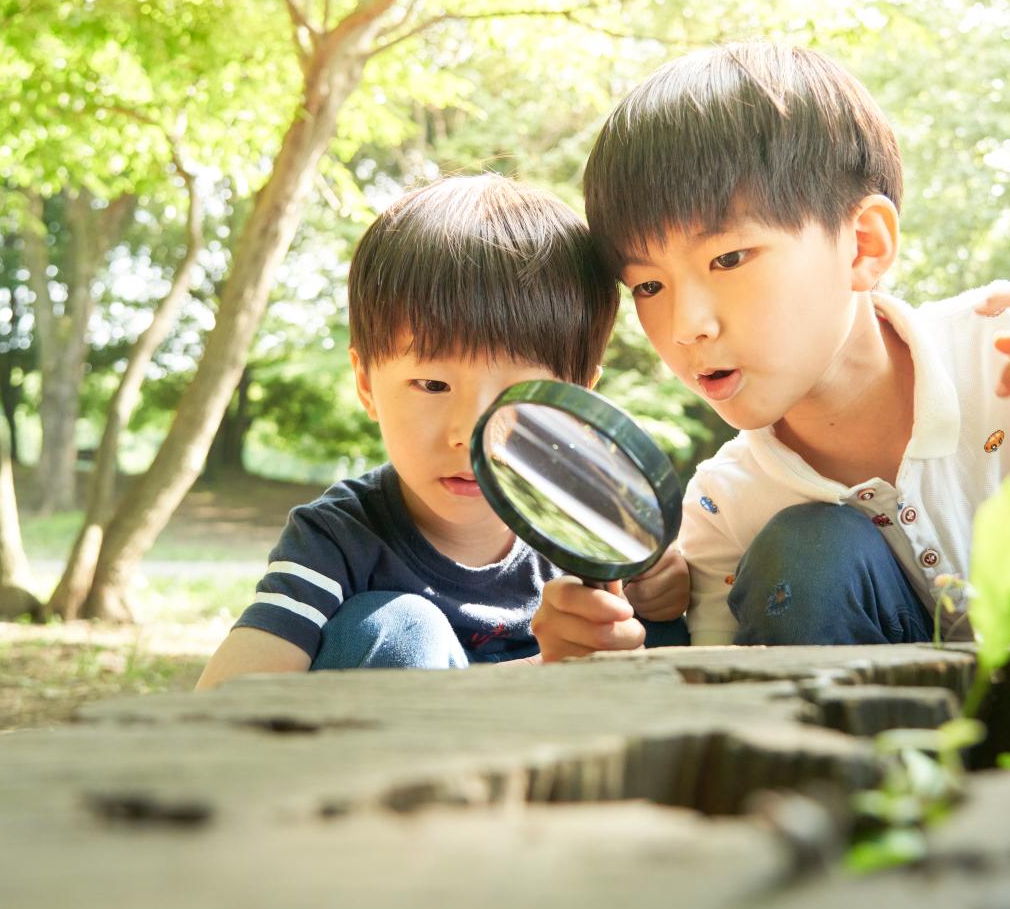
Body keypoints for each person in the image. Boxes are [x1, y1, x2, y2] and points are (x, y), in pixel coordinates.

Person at [531, 41, 1010, 656]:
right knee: (807, 553)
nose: (685, 326)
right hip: (891, 782)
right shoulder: (728, 501)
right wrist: (611, 630)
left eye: (727, 259)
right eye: (647, 287)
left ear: (863, 243)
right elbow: (704, 687)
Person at [197, 175, 681, 689]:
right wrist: (547, 672)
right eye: (432, 383)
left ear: (576, 402)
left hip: (551, 764)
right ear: (365, 384)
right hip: (387, 761)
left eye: (516, 394)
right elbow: (222, 703)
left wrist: (660, 603)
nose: (467, 435)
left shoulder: (595, 533)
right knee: (403, 628)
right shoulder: (337, 539)